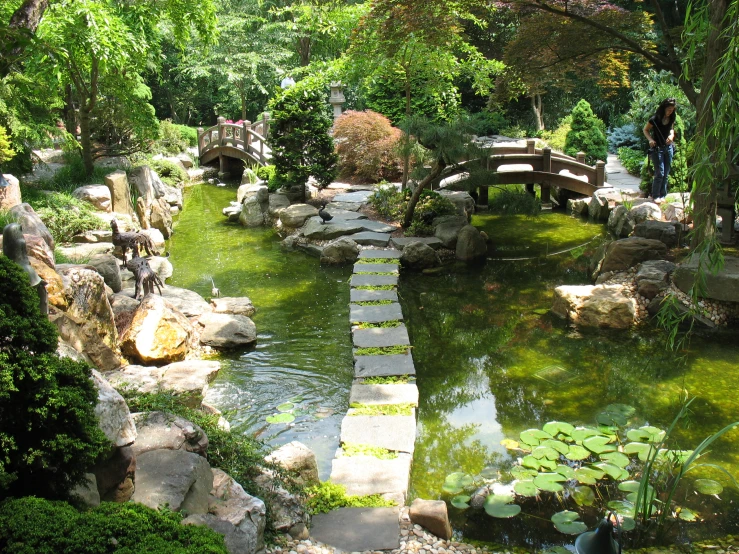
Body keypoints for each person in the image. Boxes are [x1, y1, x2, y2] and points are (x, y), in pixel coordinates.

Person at [643, 98, 677, 204]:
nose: (670, 112)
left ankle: (663, 195)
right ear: (664, 108)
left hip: (669, 147)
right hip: (657, 149)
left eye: (672, 110)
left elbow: (671, 128)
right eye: (668, 109)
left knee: (666, 174)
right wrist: (650, 140)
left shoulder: (672, 117)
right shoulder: (655, 119)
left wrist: (672, 135)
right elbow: (645, 130)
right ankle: (656, 195)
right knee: (659, 173)